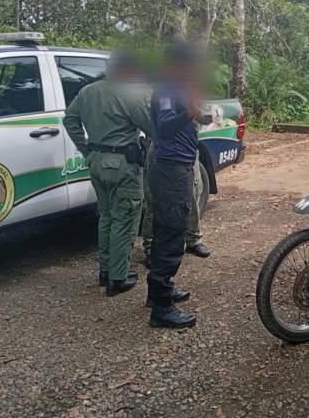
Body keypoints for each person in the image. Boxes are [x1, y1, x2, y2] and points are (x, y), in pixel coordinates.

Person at [64, 52, 152, 296]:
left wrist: (86, 149)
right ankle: (118, 278)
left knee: (106, 218)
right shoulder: (128, 93)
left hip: (96, 162)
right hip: (123, 164)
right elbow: (150, 125)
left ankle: (105, 272)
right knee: (124, 220)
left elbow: (70, 120)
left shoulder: (87, 91)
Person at [146, 43, 206, 329]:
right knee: (171, 234)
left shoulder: (176, 87)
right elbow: (168, 125)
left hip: (174, 167)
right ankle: (161, 308)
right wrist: (189, 114)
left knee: (165, 230)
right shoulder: (168, 89)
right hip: (170, 170)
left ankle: (160, 291)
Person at [141, 139, 211, 268]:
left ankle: (193, 239)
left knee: (192, 194)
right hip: (160, 147)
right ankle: (151, 248)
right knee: (154, 199)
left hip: (187, 145)